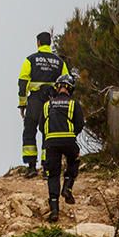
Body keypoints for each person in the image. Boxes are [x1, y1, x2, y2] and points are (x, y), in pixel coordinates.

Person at [18, 31, 68, 178]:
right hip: (53, 102)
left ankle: (31, 167)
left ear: (38, 43)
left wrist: (22, 104)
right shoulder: (60, 62)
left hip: (34, 101)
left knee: (29, 132)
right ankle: (47, 168)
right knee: (49, 134)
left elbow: (22, 83)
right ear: (50, 43)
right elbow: (66, 82)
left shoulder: (30, 60)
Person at [39, 73, 84, 223]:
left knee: (52, 175)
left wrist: (51, 135)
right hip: (69, 140)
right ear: (71, 89)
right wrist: (71, 134)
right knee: (74, 161)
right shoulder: (73, 104)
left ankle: (54, 210)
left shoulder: (47, 105)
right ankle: (67, 187)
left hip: (51, 142)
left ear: (57, 88)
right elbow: (79, 124)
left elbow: (41, 127)